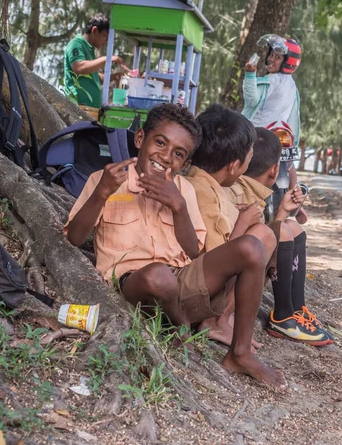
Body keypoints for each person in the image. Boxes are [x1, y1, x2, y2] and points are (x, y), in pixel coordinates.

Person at [64, 103, 287, 390]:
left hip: (183, 282)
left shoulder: (184, 190)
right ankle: (181, 328)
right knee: (157, 276)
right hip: (134, 286)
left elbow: (194, 251)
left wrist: (178, 206)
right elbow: (73, 239)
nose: (166, 157)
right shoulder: (106, 180)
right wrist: (102, 193)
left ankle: (239, 353)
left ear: (184, 163)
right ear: (140, 139)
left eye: (178, 154)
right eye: (160, 143)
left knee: (252, 248)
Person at [226, 128, 333, 346]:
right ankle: (283, 316)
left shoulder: (247, 191)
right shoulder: (242, 197)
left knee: (292, 226)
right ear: (275, 170)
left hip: (234, 277)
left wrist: (283, 210)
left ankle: (295, 309)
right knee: (284, 228)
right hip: (227, 288)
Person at [186, 104, 278, 351]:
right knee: (263, 236)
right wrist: (243, 223)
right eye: (250, 157)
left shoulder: (205, 182)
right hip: (193, 289)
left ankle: (223, 317)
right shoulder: (203, 192)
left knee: (261, 235)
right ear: (234, 166)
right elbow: (216, 256)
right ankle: (217, 320)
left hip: (196, 282)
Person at [241, 34, 307, 224]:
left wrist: (250, 74)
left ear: (288, 62)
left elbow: (252, 99)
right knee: (289, 163)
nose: (270, 59)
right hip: (282, 134)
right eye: (271, 54)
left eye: (277, 57)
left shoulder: (271, 80)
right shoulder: (292, 85)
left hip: (258, 134)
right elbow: (295, 116)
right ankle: (297, 200)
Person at [64, 13, 125, 108]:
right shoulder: (76, 44)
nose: (107, 40)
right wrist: (107, 58)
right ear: (95, 30)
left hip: (90, 109)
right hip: (77, 107)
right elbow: (79, 67)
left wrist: (113, 77)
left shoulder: (90, 50)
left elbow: (95, 78)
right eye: (105, 35)